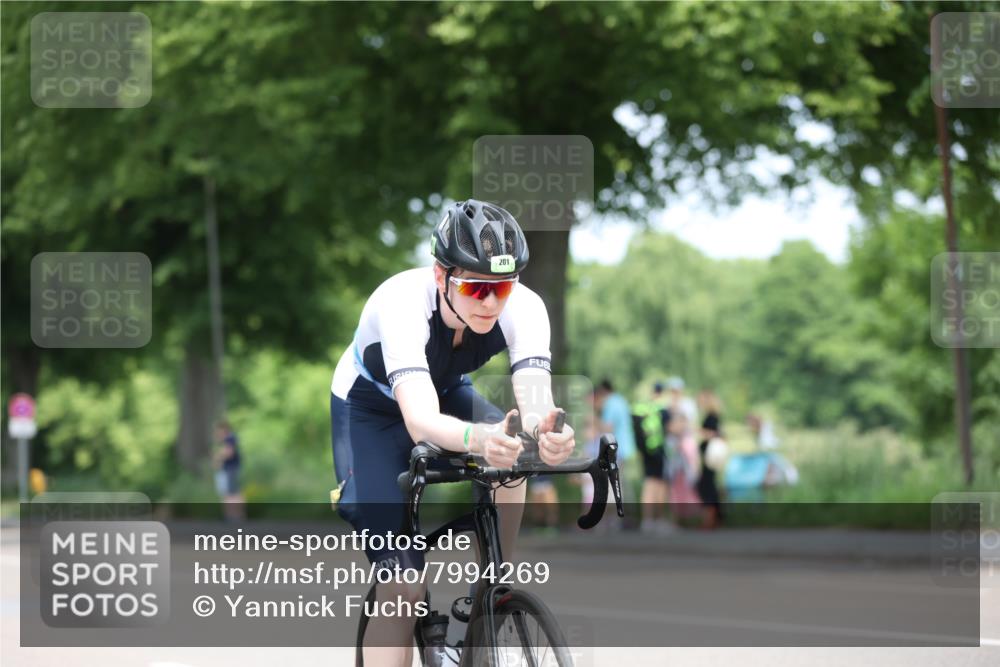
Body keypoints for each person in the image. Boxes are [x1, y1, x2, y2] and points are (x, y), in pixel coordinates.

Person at [329, 199, 576, 667]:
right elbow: (420, 420)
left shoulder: (524, 306)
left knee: (516, 459)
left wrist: (549, 434)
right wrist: (480, 440)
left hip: (444, 391)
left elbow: (535, 401)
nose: (489, 301)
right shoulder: (401, 303)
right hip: (369, 412)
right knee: (402, 587)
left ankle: (493, 586)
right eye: (474, 287)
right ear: (442, 276)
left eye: (501, 287)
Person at [632, 381, 674, 535]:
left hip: (646, 451)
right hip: (658, 450)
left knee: (649, 483)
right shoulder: (662, 409)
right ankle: (658, 519)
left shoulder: (643, 408)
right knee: (659, 484)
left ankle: (647, 521)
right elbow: (670, 429)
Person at [594, 379, 637, 510]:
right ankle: (629, 517)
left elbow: (608, 428)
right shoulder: (621, 400)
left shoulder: (611, 403)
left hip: (616, 449)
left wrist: (594, 420)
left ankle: (619, 517)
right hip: (625, 447)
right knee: (622, 482)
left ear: (603, 392)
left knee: (616, 483)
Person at [695, 390, 723, 530]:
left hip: (710, 457)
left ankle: (710, 519)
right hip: (708, 457)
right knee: (708, 485)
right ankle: (715, 518)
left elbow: (714, 434)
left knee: (707, 487)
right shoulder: (713, 416)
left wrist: (698, 431)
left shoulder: (712, 417)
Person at [213, 420, 245, 521]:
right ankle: (233, 516)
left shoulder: (229, 439)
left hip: (231, 469)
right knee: (231, 492)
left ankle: (233, 516)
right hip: (230, 469)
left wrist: (218, 457)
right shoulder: (228, 439)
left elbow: (229, 453)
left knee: (232, 493)